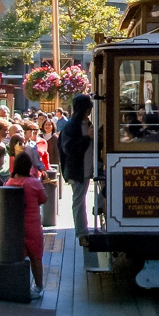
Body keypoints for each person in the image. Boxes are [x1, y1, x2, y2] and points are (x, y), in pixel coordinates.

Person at [6, 152, 47, 299]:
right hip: (33, 225)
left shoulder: (9, 183)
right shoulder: (34, 183)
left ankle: (20, 285)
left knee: (19, 257)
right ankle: (38, 286)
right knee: (36, 257)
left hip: (16, 226)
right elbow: (44, 198)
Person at [60, 93, 95, 247]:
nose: (89, 112)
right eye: (88, 109)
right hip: (78, 170)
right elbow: (69, 149)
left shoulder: (84, 123)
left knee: (80, 200)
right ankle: (82, 234)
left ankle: (84, 231)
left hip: (87, 169)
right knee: (79, 202)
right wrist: (88, 138)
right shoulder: (71, 126)